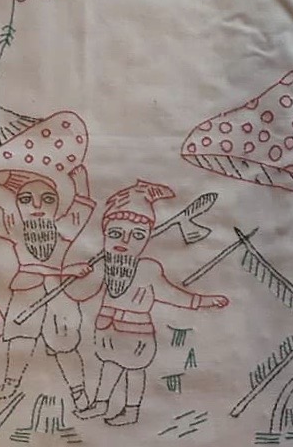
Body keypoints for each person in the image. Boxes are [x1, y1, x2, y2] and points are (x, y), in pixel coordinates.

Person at [0, 111, 96, 413]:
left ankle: (80, 394)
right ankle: (9, 384)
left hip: (60, 296)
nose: (37, 206)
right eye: (26, 199)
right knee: (19, 337)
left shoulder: (63, 228)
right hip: (26, 288)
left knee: (65, 344)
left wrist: (81, 182)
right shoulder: (13, 226)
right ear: (17, 203)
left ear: (58, 203)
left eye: (47, 199)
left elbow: (82, 206)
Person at [67, 179, 230, 426]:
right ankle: (101, 404)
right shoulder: (104, 266)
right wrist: (75, 274)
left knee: (134, 371)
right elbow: (81, 293)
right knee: (109, 367)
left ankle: (131, 410)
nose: (124, 241)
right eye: (115, 233)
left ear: (145, 240)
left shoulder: (147, 269)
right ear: (104, 235)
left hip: (137, 335)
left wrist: (203, 301)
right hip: (106, 332)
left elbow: (173, 295)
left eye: (137, 236)